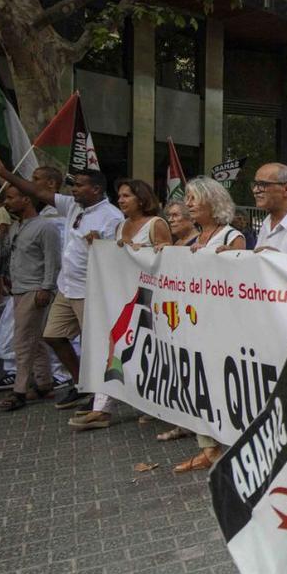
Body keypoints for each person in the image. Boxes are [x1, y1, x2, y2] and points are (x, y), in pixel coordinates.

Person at [0, 144, 124, 410]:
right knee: (52, 336)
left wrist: (101, 245)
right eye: (73, 184)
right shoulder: (72, 206)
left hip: (90, 291)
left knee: (95, 345)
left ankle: (100, 395)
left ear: (96, 189)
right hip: (66, 288)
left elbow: (120, 255)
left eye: (79, 185)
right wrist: (2, 171)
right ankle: (81, 382)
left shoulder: (112, 217)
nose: (73, 189)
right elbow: (35, 191)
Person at [70, 179, 171, 430]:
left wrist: (151, 251)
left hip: (149, 301)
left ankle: (151, 405)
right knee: (114, 347)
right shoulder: (122, 225)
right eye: (120, 195)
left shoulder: (156, 224)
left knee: (145, 352)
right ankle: (102, 409)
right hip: (122, 298)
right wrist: (101, 245)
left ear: (142, 198)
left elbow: (168, 259)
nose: (121, 200)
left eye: (127, 196)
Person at [167, 178, 247, 471]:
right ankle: (209, 448)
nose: (187, 203)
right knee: (198, 383)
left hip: (223, 328)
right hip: (196, 323)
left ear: (213, 202)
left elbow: (243, 284)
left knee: (223, 387)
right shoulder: (195, 239)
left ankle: (234, 444)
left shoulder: (231, 237)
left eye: (193, 198)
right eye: (186, 198)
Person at [0, 186, 61, 410]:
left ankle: (19, 390)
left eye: (11, 198)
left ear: (27, 199)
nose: (7, 202)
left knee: (22, 341)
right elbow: (4, 254)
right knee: (35, 339)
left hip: (35, 289)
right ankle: (44, 383)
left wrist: (46, 287)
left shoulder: (45, 227)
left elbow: (53, 260)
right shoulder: (16, 226)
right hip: (19, 289)